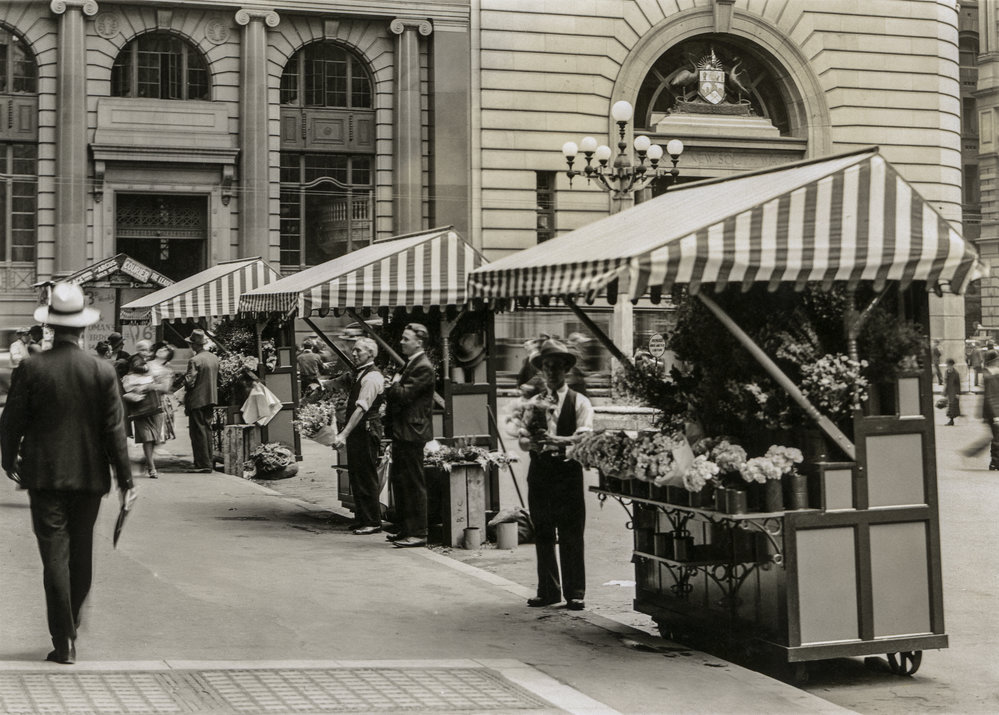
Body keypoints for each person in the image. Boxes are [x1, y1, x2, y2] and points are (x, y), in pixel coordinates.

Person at [0, 282, 135, 665]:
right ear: (81, 328)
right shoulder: (102, 369)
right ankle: (71, 621)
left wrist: (9, 460)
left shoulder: (31, 367)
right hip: (90, 477)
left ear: (51, 327)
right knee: (81, 553)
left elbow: (11, 422)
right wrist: (126, 481)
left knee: (54, 557)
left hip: (44, 475)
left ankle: (64, 640)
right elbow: (115, 430)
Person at [526, 338, 594, 611]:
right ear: (542, 370)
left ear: (566, 369)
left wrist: (555, 440)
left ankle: (575, 592)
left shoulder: (580, 402)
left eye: (557, 367)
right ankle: (548, 590)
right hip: (541, 472)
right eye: (547, 367)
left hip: (567, 473)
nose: (552, 372)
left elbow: (583, 439)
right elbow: (523, 438)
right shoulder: (533, 402)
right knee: (542, 532)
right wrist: (532, 440)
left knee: (571, 533)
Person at [384, 323, 436, 548]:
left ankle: (418, 532)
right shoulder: (412, 364)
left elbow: (404, 395)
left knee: (413, 483)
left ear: (419, 342)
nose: (402, 342)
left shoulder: (422, 367)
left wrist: (393, 384)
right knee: (402, 481)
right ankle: (406, 528)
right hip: (405, 431)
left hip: (412, 432)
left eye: (406, 339)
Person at [331, 337, 386, 535]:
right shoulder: (359, 374)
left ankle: (372, 521)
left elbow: (361, 409)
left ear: (370, 354)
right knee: (357, 474)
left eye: (359, 351)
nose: (354, 354)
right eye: (354, 350)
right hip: (359, 431)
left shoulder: (371, 377)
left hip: (366, 430)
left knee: (366, 475)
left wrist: (343, 434)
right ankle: (363, 518)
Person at [183, 328, 220, 473]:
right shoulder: (213, 358)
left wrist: (183, 380)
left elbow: (190, 382)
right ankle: (208, 461)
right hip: (211, 398)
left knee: (197, 432)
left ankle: (203, 464)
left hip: (197, 399)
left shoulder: (194, 360)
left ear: (194, 345)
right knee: (207, 430)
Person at [121, 352, 164, 478]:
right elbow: (128, 390)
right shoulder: (128, 378)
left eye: (143, 362)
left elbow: (162, 387)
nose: (142, 365)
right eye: (139, 363)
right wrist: (147, 387)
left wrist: (148, 386)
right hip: (141, 412)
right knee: (148, 439)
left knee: (154, 439)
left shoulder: (151, 374)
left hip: (155, 410)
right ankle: (152, 467)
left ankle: (148, 461)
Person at [149, 342, 177, 442]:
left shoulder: (167, 370)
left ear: (168, 357)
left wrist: (149, 386)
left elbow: (165, 388)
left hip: (158, 402)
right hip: (145, 401)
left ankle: (150, 456)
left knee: (156, 433)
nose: (162, 350)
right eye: (162, 348)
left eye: (166, 350)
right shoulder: (147, 364)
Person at [943, 358, 961, 426]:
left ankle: (951, 420)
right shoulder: (947, 372)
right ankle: (951, 420)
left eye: (948, 365)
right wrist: (944, 391)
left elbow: (958, 384)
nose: (947, 366)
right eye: (947, 365)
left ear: (952, 365)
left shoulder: (956, 373)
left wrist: (958, 393)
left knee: (952, 405)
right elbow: (945, 382)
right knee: (950, 405)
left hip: (954, 391)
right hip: (949, 390)